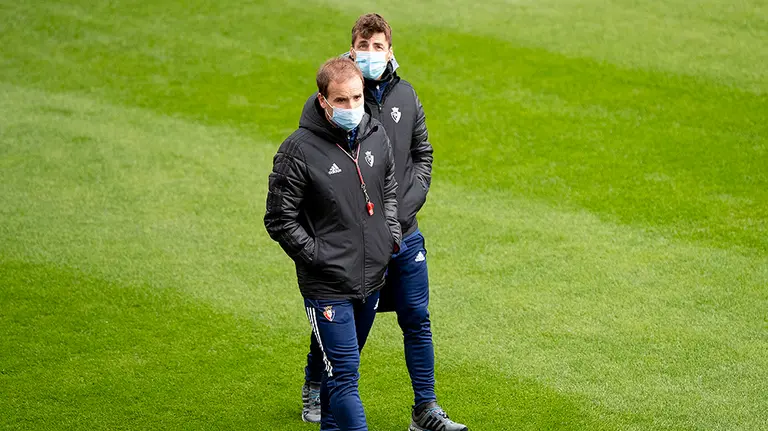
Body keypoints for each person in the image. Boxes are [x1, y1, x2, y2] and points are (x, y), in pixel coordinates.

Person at [301, 14, 468, 431]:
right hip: (355, 241)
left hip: (403, 233)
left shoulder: (407, 97)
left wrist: (400, 217)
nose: (372, 54)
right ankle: (316, 387)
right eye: (364, 45)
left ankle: (425, 409)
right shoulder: (339, 98)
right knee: (345, 328)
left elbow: (422, 157)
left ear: (390, 51)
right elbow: (314, 171)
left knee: (416, 315)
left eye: (379, 47)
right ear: (351, 49)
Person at [265, 56, 401, 431]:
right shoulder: (298, 150)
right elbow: (278, 218)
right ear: (323, 101)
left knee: (339, 372)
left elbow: (387, 187)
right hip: (327, 286)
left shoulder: (375, 134)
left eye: (357, 98)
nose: (352, 108)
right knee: (344, 377)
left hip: (371, 278)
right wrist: (319, 256)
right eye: (341, 101)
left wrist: (389, 233)